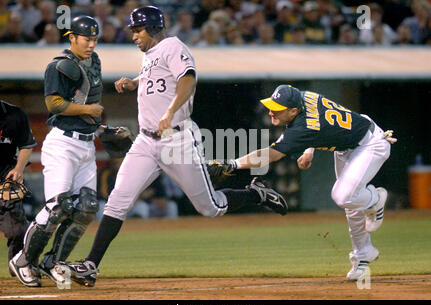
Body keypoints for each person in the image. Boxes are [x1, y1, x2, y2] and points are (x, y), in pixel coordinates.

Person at [62, 6, 288, 287]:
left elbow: (187, 79)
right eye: (133, 30)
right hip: (145, 141)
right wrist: (134, 83)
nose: (133, 36)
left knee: (211, 207)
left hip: (177, 139)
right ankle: (90, 266)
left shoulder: (173, 46)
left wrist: (169, 112)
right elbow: (157, 79)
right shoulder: (150, 56)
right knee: (118, 200)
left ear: (154, 28)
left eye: (138, 30)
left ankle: (256, 194)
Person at [208, 84, 396, 281]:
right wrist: (308, 149)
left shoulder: (303, 125)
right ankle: (363, 255)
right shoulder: (303, 97)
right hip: (347, 144)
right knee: (351, 205)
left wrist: (233, 164)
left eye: (277, 108)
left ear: (294, 110)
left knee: (343, 196)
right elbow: (320, 122)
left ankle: (376, 199)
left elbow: (271, 155)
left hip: (370, 144)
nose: (271, 111)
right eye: (271, 105)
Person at [9, 15, 104, 287]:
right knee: (57, 208)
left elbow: (89, 102)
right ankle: (23, 260)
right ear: (72, 37)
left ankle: (52, 261)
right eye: (87, 38)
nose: (91, 44)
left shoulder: (93, 61)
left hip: (86, 144)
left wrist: (102, 127)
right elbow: (53, 103)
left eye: (95, 39)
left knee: (86, 208)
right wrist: (87, 111)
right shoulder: (60, 65)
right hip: (63, 143)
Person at [0, 100, 37, 276]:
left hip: (5, 178)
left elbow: (26, 145)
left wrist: (19, 169)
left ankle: (19, 266)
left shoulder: (14, 114)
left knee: (18, 229)